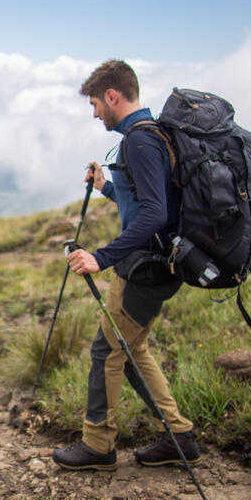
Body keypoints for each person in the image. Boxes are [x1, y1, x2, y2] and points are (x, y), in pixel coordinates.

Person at [53, 59, 201, 471]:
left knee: (106, 351)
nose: (95, 112)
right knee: (132, 349)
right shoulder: (149, 134)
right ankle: (180, 436)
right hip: (153, 266)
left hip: (143, 270)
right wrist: (106, 187)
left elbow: (154, 216)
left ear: (113, 96)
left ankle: (97, 445)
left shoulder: (139, 141)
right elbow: (148, 205)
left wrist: (100, 257)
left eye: (96, 103)